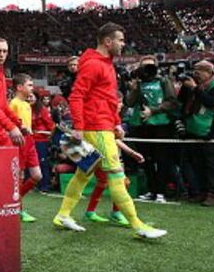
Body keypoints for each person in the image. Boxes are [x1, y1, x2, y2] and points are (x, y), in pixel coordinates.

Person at [52, 23, 166, 238]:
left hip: (101, 125)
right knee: (115, 175)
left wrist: (115, 123)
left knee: (83, 174)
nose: (123, 44)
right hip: (96, 128)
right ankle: (138, 225)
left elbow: (108, 99)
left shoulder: (104, 64)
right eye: (120, 40)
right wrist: (80, 127)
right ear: (107, 41)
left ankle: (63, 215)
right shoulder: (95, 65)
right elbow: (77, 96)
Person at [179, 60, 214, 207]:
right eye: (195, 71)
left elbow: (210, 101)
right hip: (194, 128)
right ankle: (202, 192)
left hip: (212, 129)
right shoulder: (194, 85)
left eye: (199, 71)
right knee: (197, 162)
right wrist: (186, 86)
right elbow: (181, 100)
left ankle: (213, 194)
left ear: (209, 72)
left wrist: (195, 88)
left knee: (212, 164)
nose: (197, 74)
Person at [125, 55, 177, 203]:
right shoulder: (138, 83)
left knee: (161, 159)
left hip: (161, 125)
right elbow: (129, 102)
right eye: (144, 66)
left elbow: (172, 102)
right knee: (146, 160)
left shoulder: (163, 81)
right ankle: (151, 190)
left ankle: (161, 192)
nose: (147, 69)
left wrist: (153, 111)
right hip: (140, 125)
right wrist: (134, 88)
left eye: (150, 66)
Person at [84, 138, 145, 225]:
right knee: (105, 183)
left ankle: (98, 212)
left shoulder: (114, 138)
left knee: (114, 184)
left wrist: (133, 154)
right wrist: (134, 154)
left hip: (114, 164)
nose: (122, 131)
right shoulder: (109, 137)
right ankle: (98, 212)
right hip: (103, 163)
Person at [9, 74, 42, 222]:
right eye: (29, 85)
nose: (32, 88)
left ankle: (14, 203)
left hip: (30, 142)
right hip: (19, 142)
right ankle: (18, 208)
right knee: (19, 177)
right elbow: (9, 125)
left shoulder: (27, 105)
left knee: (37, 176)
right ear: (19, 87)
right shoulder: (13, 104)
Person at [32, 94, 55, 192]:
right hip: (30, 140)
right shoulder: (25, 108)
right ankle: (31, 184)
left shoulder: (42, 110)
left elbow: (51, 126)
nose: (29, 99)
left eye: (31, 97)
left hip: (41, 141)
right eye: (28, 97)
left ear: (37, 99)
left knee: (43, 162)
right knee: (31, 163)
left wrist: (44, 134)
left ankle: (45, 185)